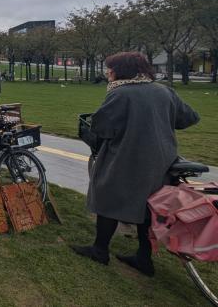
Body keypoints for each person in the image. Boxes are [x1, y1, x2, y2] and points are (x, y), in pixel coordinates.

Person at [71, 52, 199, 276]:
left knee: (107, 197)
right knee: (148, 207)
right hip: (161, 161)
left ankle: (100, 250)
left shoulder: (121, 93)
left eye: (111, 68)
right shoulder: (163, 90)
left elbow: (101, 127)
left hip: (126, 158)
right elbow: (188, 118)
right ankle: (143, 258)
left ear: (122, 70)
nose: (108, 73)